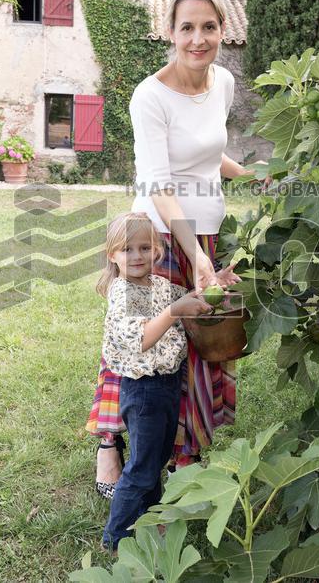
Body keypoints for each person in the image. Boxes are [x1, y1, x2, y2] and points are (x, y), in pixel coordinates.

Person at [87, 0, 264, 497]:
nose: (198, 39)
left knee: (199, 340)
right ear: (170, 30)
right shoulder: (150, 96)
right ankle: (108, 442)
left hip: (205, 232)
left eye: (209, 27)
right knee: (139, 338)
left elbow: (210, 156)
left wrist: (252, 175)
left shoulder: (223, 84)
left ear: (222, 30)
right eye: (187, 27)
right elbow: (160, 182)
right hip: (158, 237)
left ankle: (184, 448)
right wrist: (192, 254)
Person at [97, 212, 215, 550]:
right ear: (112, 254)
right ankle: (115, 536)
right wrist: (177, 309)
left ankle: (149, 518)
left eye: (144, 248)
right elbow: (142, 339)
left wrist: (213, 279)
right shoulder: (126, 292)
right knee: (141, 468)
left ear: (157, 250)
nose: (136, 256)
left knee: (156, 459)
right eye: (127, 249)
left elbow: (188, 297)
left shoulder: (158, 284)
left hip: (165, 384)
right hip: (143, 389)